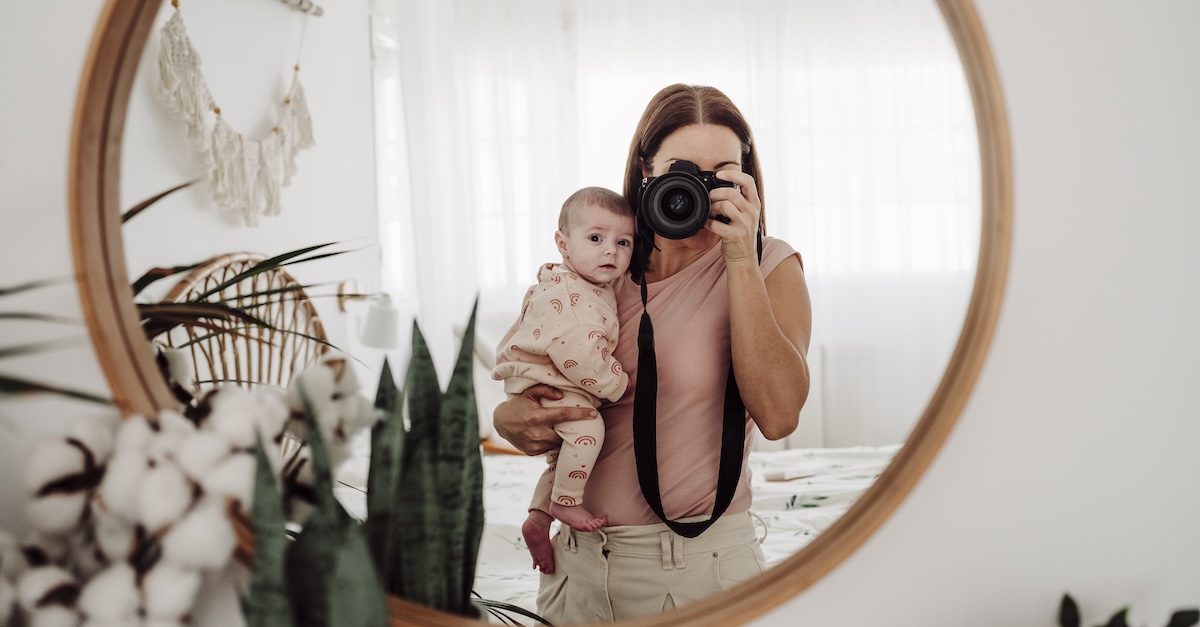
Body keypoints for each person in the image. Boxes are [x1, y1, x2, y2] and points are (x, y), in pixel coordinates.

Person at [493, 84, 812, 623]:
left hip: (699, 571)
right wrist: (507, 418)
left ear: (746, 179)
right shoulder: (601, 260)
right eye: (683, 169)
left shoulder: (770, 264)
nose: (700, 188)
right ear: (648, 169)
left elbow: (780, 416)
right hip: (576, 571)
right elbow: (531, 363)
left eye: (722, 173)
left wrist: (739, 255)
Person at [491, 186, 635, 574]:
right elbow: (582, 356)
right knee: (588, 428)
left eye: (623, 242)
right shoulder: (575, 298)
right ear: (563, 244)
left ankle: (539, 518)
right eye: (595, 238)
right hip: (549, 382)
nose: (611, 250)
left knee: (564, 457)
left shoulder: (583, 284)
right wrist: (616, 384)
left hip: (546, 379)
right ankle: (566, 503)